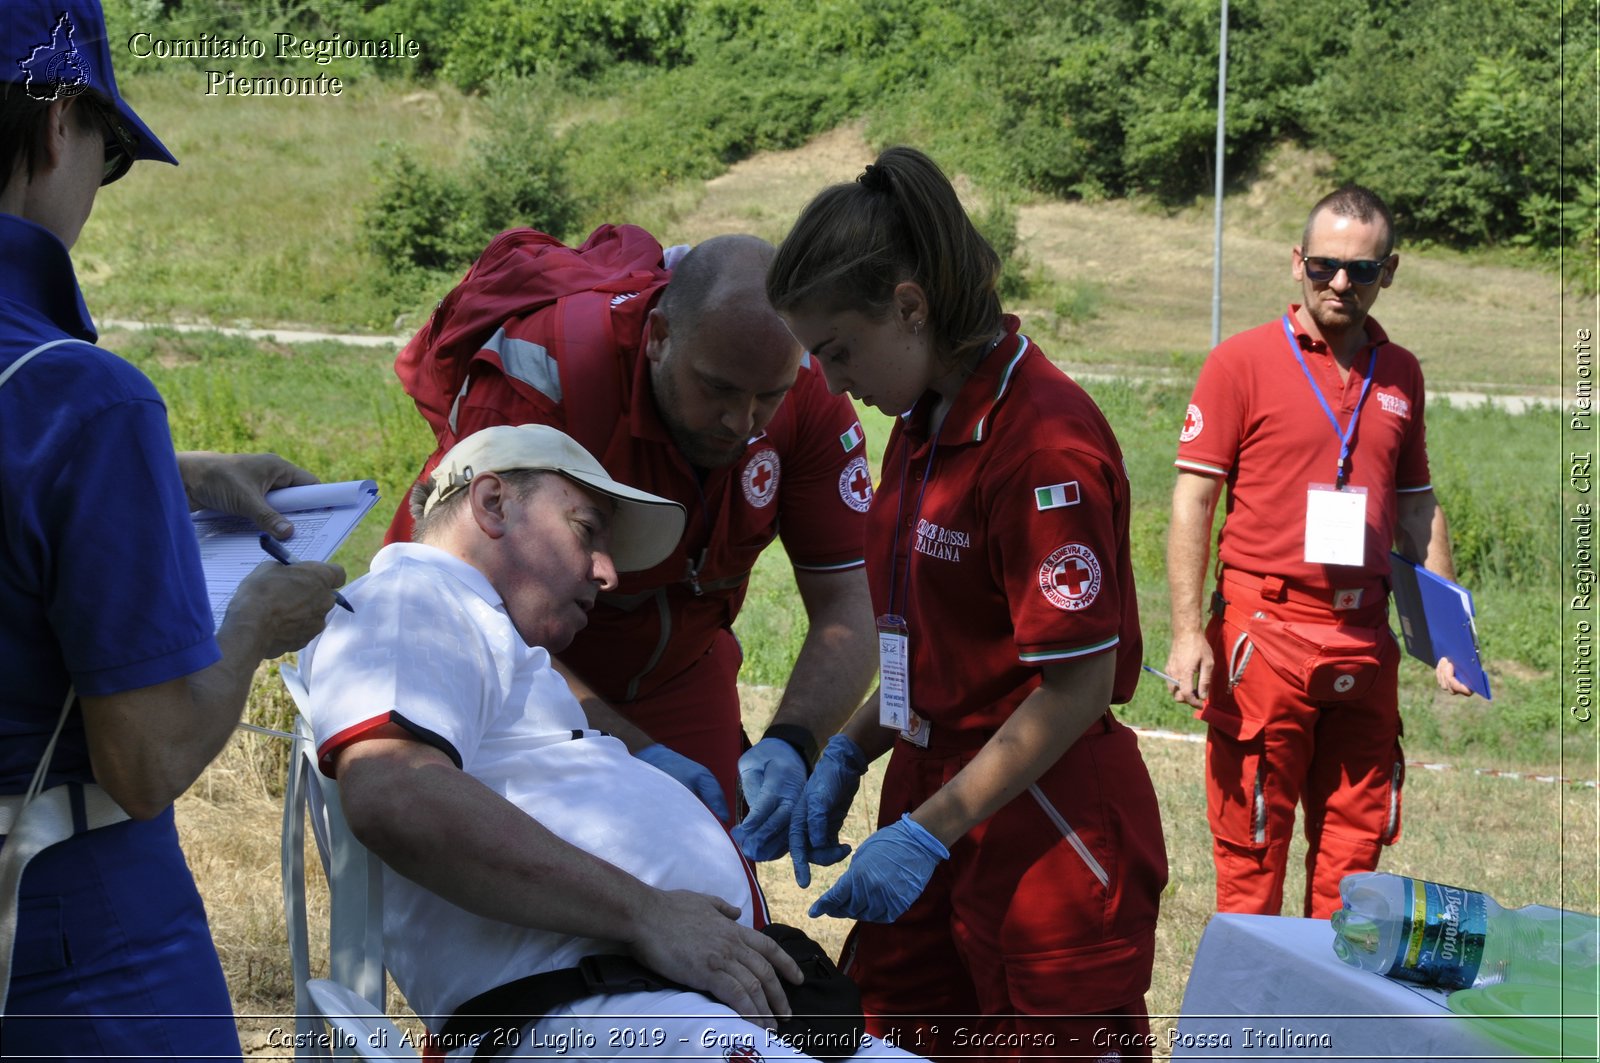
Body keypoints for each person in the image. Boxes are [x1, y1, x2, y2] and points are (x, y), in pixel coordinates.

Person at [297, 424, 922, 1061]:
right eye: (586, 530)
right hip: (592, 1012)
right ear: (491, 504)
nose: (608, 572)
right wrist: (648, 915)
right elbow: (395, 792)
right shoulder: (416, 594)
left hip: (646, 1005)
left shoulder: (482, 628)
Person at [764, 147, 1169, 1061]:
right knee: (891, 1038)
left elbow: (1076, 688)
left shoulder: (1042, 447)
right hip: (935, 790)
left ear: (909, 307)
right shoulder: (923, 424)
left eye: (838, 352)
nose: (831, 384)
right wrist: (849, 748)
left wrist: (926, 831)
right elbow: (927, 637)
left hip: (1039, 823)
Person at [0, 1, 346, 1055]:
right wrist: (254, 628)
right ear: (60, 120)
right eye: (110, 160)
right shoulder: (81, 400)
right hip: (70, 944)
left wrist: (162, 474)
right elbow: (144, 761)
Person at [385, 228, 878, 855]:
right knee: (534, 879)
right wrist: (628, 750)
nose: (742, 421)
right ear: (661, 340)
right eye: (719, 389)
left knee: (711, 885)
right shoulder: (546, 375)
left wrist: (794, 740)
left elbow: (850, 599)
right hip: (518, 664)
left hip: (680, 668)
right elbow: (471, 615)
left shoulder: (806, 393)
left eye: (767, 398)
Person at [1163, 184, 1473, 920]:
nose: (1340, 282)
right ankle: (1247, 1029)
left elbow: (1416, 506)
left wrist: (1449, 636)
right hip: (1263, 635)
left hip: (1363, 642)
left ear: (1388, 271)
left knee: (1354, 868)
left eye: (1361, 270)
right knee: (1253, 856)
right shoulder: (1239, 362)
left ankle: (1325, 1025)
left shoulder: (1401, 373)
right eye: (1325, 265)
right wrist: (1184, 633)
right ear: (1296, 261)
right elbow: (1193, 500)